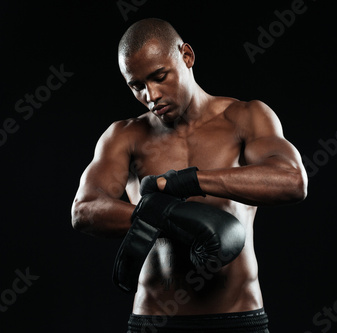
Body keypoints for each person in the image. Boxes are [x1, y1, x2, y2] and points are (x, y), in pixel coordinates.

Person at [71, 18, 308, 333]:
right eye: (136, 85)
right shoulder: (125, 135)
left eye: (159, 76)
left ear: (186, 56)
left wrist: (190, 181)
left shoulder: (245, 117)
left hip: (237, 320)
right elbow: (84, 209)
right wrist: (166, 216)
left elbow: (292, 180)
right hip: (154, 321)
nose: (151, 95)